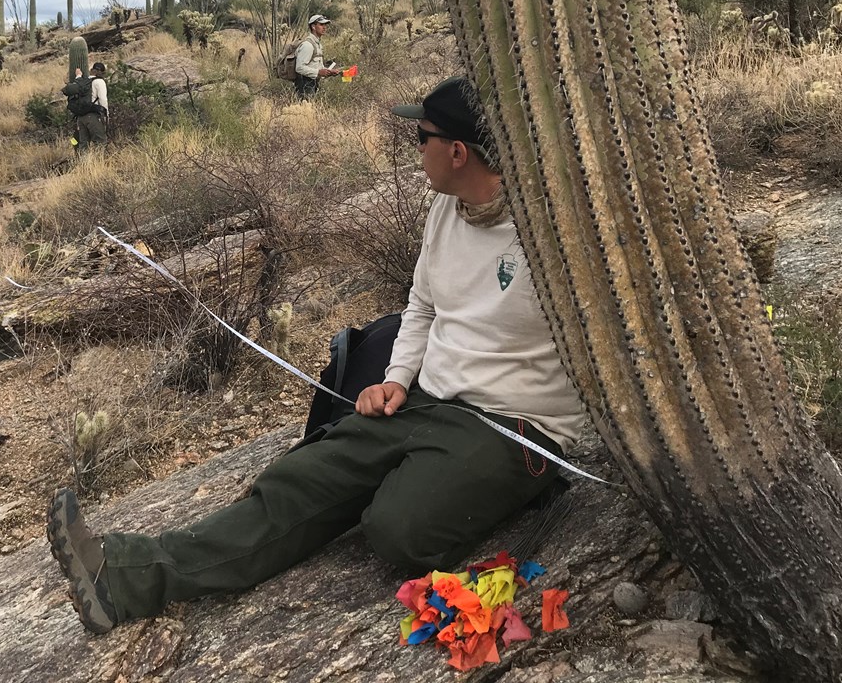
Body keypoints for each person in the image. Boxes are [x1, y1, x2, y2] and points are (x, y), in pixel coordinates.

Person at [47, 76, 586, 634]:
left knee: (398, 530)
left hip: (512, 425)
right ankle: (123, 576)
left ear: (457, 152)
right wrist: (397, 379)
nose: (415, 149)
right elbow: (421, 307)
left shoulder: (553, 233)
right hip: (430, 399)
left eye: (420, 138)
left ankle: (500, 486)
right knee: (298, 479)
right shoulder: (446, 211)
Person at [294, 14, 344, 99]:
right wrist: (318, 72)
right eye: (321, 24)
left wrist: (329, 72)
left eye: (325, 25)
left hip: (313, 84)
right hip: (305, 85)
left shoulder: (318, 44)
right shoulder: (308, 45)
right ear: (313, 27)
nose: (324, 27)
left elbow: (316, 66)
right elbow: (299, 68)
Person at [64, 61, 109, 149]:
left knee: (83, 144)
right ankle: (98, 162)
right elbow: (103, 99)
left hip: (80, 118)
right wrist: (106, 115)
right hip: (93, 116)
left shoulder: (83, 81)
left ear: (92, 70)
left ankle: (82, 162)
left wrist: (78, 75)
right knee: (100, 142)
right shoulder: (99, 82)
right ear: (102, 72)